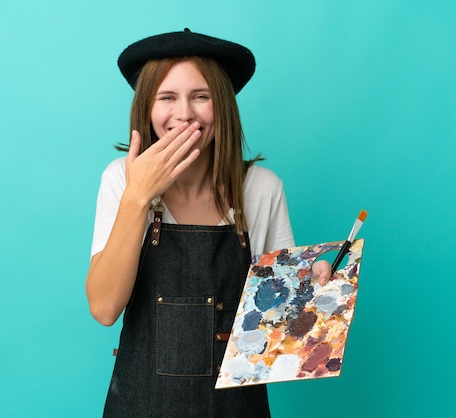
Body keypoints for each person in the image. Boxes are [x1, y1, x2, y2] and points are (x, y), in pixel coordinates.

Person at [86, 28, 331, 418]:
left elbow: (276, 332)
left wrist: (314, 291)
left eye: (201, 97)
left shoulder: (262, 190)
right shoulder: (120, 178)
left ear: (224, 107)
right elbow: (103, 308)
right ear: (147, 109)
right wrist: (137, 196)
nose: (184, 113)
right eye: (167, 97)